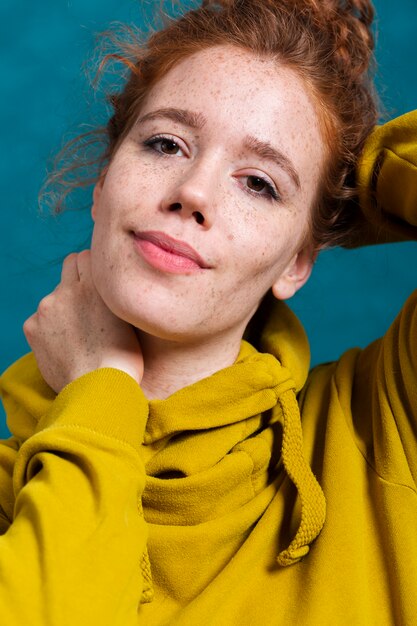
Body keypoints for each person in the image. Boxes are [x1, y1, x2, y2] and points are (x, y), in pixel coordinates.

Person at [0, 0, 416, 623]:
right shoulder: (13, 501)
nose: (192, 191)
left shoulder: (383, 430)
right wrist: (99, 401)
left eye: (260, 184)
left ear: (297, 263)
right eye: (167, 144)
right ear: (104, 182)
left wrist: (367, 174)